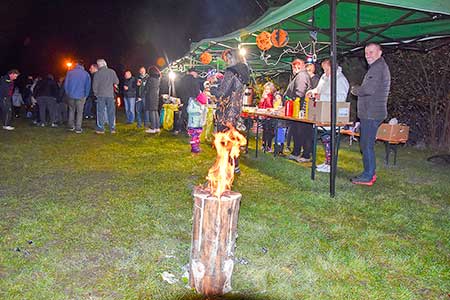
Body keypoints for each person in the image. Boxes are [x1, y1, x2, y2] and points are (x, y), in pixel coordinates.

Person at [350, 43, 391, 185]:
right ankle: (369, 173)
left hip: (371, 113)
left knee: (366, 145)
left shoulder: (378, 68)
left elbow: (368, 89)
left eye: (371, 52)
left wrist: (354, 89)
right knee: (367, 144)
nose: (368, 55)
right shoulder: (377, 67)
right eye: (366, 53)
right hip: (371, 112)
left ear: (379, 53)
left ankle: (368, 176)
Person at [306, 59, 350, 173]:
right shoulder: (324, 78)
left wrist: (322, 96)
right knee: (326, 139)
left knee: (330, 139)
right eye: (324, 69)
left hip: (332, 114)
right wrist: (312, 91)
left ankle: (331, 164)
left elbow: (341, 98)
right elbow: (318, 90)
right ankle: (327, 162)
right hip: (322, 113)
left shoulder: (340, 79)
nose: (324, 71)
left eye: (326, 69)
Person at [212, 49, 250, 174]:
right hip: (236, 110)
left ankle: (225, 168)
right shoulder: (243, 73)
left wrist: (212, 89)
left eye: (227, 59)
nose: (226, 62)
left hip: (226, 111)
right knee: (232, 140)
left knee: (224, 141)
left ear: (233, 58)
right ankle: (235, 166)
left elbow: (222, 93)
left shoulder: (231, 71)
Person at [284, 58, 312, 163]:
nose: (293, 69)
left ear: (298, 66)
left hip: (300, 108)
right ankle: (296, 152)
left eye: (293, 67)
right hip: (298, 108)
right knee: (297, 132)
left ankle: (305, 154)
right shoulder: (300, 76)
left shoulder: (301, 76)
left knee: (301, 132)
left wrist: (291, 101)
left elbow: (300, 92)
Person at [93, 58, 119, 134]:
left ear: (99, 65)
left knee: (100, 112)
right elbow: (116, 82)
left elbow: (95, 85)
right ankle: (112, 128)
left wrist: (96, 94)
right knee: (111, 112)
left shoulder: (97, 73)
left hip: (100, 95)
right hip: (110, 95)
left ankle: (101, 128)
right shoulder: (112, 71)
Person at [64, 60, 91, 133]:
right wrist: (86, 95)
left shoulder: (69, 73)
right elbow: (87, 86)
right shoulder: (86, 74)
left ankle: (70, 126)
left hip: (71, 95)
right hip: (81, 95)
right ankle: (78, 128)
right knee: (80, 112)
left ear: (76, 64)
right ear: (83, 65)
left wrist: (68, 93)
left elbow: (66, 84)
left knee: (71, 110)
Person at [176, 68, 202, 134]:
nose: (197, 75)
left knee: (183, 113)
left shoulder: (182, 79)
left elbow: (178, 89)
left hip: (184, 99)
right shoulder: (194, 80)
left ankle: (178, 128)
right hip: (192, 99)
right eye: (196, 73)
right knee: (192, 115)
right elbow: (197, 90)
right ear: (193, 73)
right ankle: (189, 130)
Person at [258, 81, 276, 152]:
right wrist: (262, 99)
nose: (266, 91)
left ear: (271, 90)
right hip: (264, 116)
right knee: (265, 131)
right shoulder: (264, 96)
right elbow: (260, 106)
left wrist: (267, 98)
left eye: (268, 89)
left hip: (270, 117)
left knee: (270, 132)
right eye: (265, 89)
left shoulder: (271, 96)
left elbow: (270, 105)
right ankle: (263, 145)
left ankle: (268, 146)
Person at [144, 66, 161, 133]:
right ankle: (157, 127)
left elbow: (147, 88)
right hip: (156, 96)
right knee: (155, 112)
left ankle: (153, 128)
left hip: (150, 96)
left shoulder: (150, 79)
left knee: (151, 112)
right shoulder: (158, 78)